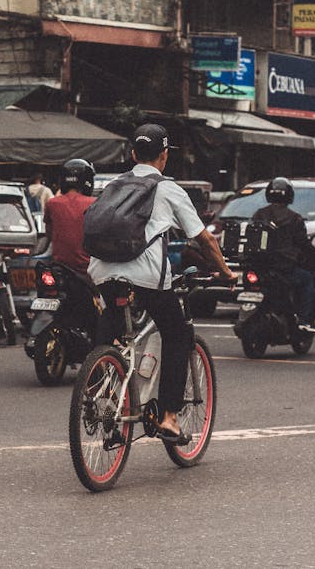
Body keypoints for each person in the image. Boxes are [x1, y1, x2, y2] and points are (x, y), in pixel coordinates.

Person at [88, 123, 237, 444]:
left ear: (132, 154)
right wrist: (226, 273)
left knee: (111, 328)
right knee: (177, 332)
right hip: (145, 276)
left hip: (102, 270)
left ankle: (99, 388)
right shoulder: (168, 189)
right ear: (165, 156)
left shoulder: (113, 184)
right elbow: (205, 239)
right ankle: (169, 417)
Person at [253, 176, 315, 332]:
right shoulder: (294, 218)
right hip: (284, 269)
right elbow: (303, 244)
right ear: (290, 195)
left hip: (261, 268)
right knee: (307, 280)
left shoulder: (259, 215)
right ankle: (303, 320)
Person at [44, 159, 96, 275]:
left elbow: (49, 233)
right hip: (87, 268)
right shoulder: (94, 203)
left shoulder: (52, 203)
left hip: (60, 267)